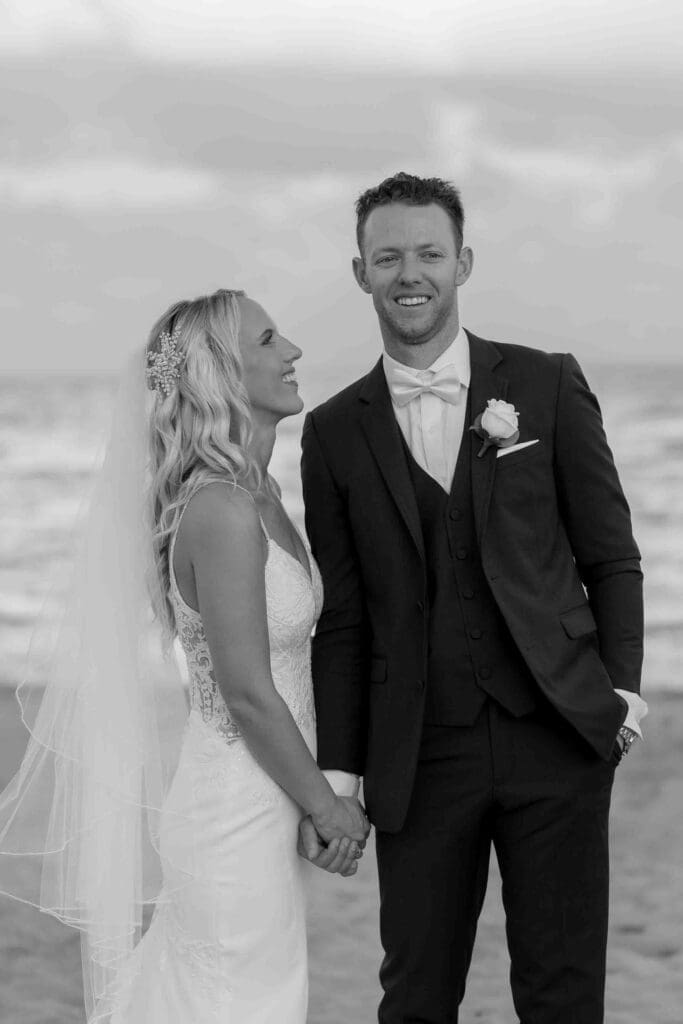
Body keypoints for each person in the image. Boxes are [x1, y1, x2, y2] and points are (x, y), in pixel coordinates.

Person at [300, 172, 648, 1023]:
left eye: (428, 253)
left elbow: (610, 558)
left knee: (563, 996)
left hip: (557, 735)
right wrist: (339, 776)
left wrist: (622, 697)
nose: (408, 274)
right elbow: (341, 620)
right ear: (360, 273)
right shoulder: (332, 430)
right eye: (388, 257)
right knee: (415, 995)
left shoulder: (545, 382)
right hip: (417, 755)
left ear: (462, 263)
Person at [0, 288, 369, 1024]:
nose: (293, 351)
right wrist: (327, 806)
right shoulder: (221, 510)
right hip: (234, 813)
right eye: (268, 340)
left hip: (269, 798)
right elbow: (247, 693)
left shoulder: (259, 490)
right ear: (220, 374)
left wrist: (319, 793)